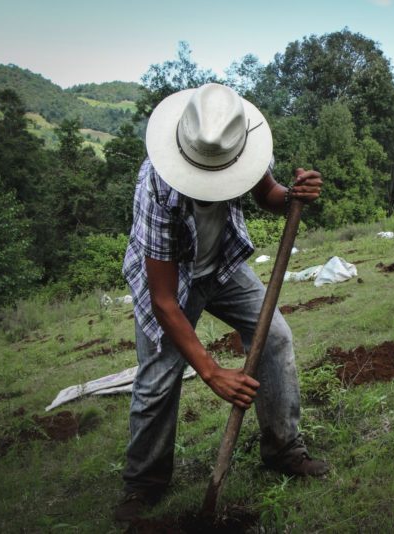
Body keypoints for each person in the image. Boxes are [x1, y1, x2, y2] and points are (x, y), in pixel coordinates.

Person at [115, 83, 328, 523]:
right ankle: (145, 484)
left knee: (275, 339)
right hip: (173, 279)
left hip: (224, 266)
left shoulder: (241, 140)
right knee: (159, 377)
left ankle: (283, 449)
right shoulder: (155, 183)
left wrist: (291, 195)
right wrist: (211, 372)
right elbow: (163, 301)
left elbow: (265, 192)